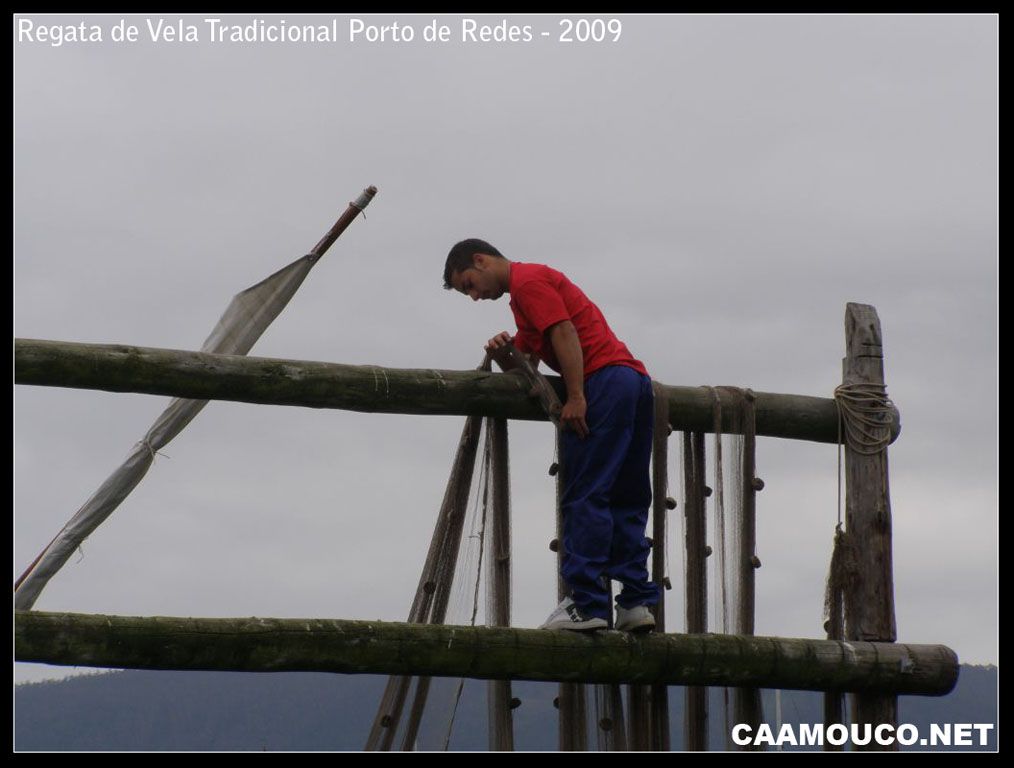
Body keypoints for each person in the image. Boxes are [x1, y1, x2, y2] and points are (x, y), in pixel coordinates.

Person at [443, 238, 660, 632]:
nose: (474, 296)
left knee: (586, 493)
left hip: (603, 382)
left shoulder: (527, 283)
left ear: (481, 260)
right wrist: (504, 353)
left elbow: (563, 332)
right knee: (628, 493)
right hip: (635, 382)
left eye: (469, 285)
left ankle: (587, 604)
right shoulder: (528, 293)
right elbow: (528, 365)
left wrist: (576, 396)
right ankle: (635, 601)